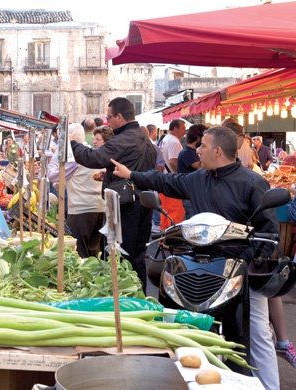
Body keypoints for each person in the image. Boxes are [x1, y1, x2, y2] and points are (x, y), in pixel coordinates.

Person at [110, 126, 280, 390]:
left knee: (257, 332)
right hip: (201, 268)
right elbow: (165, 182)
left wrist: (247, 261)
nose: (197, 150)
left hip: (240, 271)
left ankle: (270, 387)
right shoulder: (198, 178)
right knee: (180, 324)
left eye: (202, 146)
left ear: (218, 151)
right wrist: (130, 174)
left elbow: (268, 234)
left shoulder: (252, 182)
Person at [70, 97, 156, 291]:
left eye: (109, 117)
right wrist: (110, 176)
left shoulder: (125, 138)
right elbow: (135, 170)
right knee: (137, 256)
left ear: (119, 116)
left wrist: (72, 143)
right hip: (143, 204)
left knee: (120, 255)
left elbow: (93, 157)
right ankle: (139, 298)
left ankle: (122, 302)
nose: (107, 122)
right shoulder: (145, 139)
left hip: (126, 207)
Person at [49, 123, 104, 258]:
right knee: (93, 253)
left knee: (80, 253)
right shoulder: (92, 151)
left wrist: (56, 155)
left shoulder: (74, 156)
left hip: (82, 209)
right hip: (99, 208)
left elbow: (53, 175)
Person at [159, 119, 186, 229]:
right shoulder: (175, 141)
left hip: (164, 180)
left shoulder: (165, 139)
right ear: (175, 129)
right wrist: (181, 174)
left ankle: (163, 240)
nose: (185, 131)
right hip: (172, 181)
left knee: (165, 213)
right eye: (183, 128)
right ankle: (172, 240)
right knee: (175, 213)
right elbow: (173, 161)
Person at [176, 124, 205, 219]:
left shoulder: (191, 152)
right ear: (197, 138)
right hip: (189, 195)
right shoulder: (187, 153)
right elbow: (200, 167)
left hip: (192, 194)